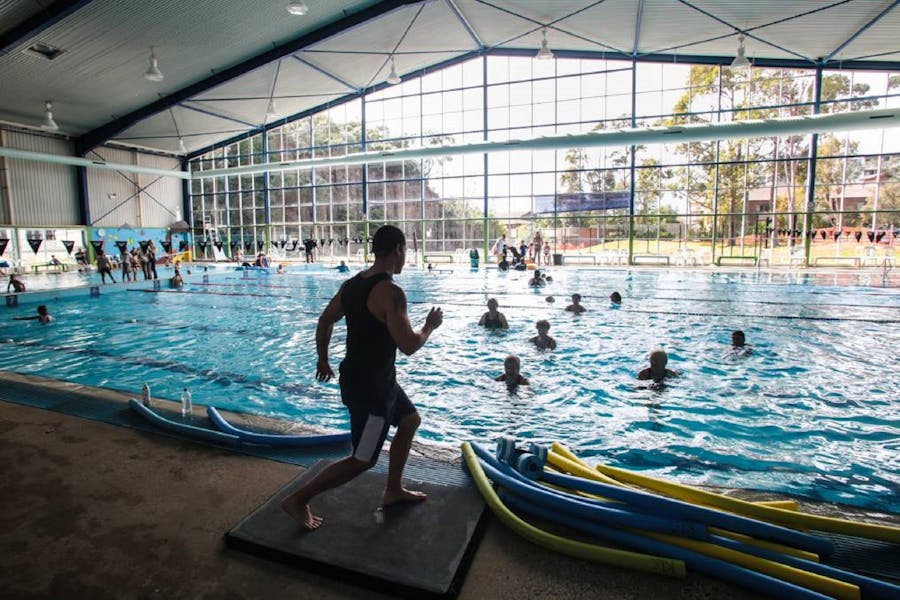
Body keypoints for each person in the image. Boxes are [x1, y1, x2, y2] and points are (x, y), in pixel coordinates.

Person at [281, 225, 443, 531]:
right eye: (405, 250)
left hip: (369, 378)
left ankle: (393, 489)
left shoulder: (352, 285)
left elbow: (325, 319)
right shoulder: (391, 293)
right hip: (372, 391)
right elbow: (408, 345)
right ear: (398, 250)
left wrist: (323, 359)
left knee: (409, 421)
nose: (405, 256)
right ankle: (298, 499)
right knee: (363, 458)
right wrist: (430, 326)